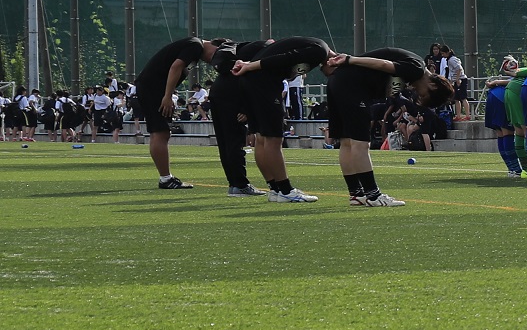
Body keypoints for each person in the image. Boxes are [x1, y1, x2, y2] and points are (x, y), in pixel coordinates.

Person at [220, 36, 350, 202]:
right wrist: (250, 65)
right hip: (262, 83)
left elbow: (285, 61)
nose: (327, 75)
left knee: (262, 137)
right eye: (334, 73)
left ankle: (275, 188)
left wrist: (251, 67)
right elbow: (284, 58)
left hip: (253, 82)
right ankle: (285, 190)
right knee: (273, 138)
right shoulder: (319, 51)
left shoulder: (316, 46)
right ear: (335, 62)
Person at [322, 46, 454, 206]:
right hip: (352, 87)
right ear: (433, 86)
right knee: (360, 143)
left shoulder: (413, 68)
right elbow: (384, 64)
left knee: (347, 142)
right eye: (423, 94)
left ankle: (356, 194)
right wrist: (349, 59)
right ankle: (373, 195)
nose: (417, 92)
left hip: (338, 82)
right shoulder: (417, 69)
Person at [132, 34, 225, 189]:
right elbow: (175, 67)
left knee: (161, 132)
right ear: (216, 46)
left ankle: (166, 177)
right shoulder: (195, 45)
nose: (212, 61)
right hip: (152, 88)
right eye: (216, 56)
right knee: (160, 131)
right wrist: (168, 96)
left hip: (151, 87)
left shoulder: (193, 46)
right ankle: (165, 179)